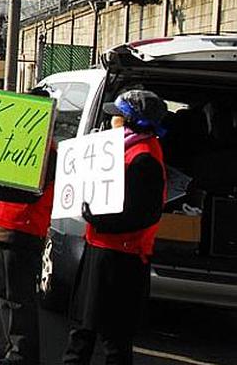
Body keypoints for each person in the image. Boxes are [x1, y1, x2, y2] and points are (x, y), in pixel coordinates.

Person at [62, 89, 168, 365]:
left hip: (123, 258)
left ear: (129, 120)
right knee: (82, 328)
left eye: (116, 116)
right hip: (102, 249)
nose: (111, 120)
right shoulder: (123, 148)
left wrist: (97, 218)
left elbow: (142, 215)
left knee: (114, 338)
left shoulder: (144, 158)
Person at [0, 86, 57, 365]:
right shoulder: (13, 142)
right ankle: (12, 346)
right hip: (1, 223)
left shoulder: (47, 149)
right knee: (6, 295)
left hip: (23, 228)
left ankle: (23, 354)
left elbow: (28, 192)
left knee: (20, 296)